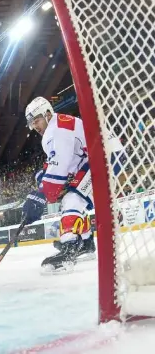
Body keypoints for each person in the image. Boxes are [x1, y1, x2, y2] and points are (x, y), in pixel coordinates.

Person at [21, 97, 122, 271]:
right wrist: (44, 179)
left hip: (105, 155)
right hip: (101, 153)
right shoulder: (57, 126)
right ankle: (86, 243)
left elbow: (60, 166)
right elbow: (65, 163)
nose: (35, 126)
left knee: (72, 198)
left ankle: (70, 247)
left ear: (47, 114)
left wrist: (42, 193)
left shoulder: (57, 129)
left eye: (36, 120)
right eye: (31, 124)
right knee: (72, 195)